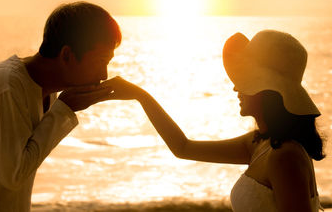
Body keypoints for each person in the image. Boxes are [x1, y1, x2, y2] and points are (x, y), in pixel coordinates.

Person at [102, 30, 325, 212]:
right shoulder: (259, 144)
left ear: (268, 92)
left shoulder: (285, 156)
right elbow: (183, 147)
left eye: (246, 80)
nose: (236, 87)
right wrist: (141, 96)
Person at [0, 1, 122, 212]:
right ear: (67, 55)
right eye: (100, 61)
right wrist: (65, 109)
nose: (103, 75)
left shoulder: (46, 92)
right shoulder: (5, 85)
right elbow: (14, 175)